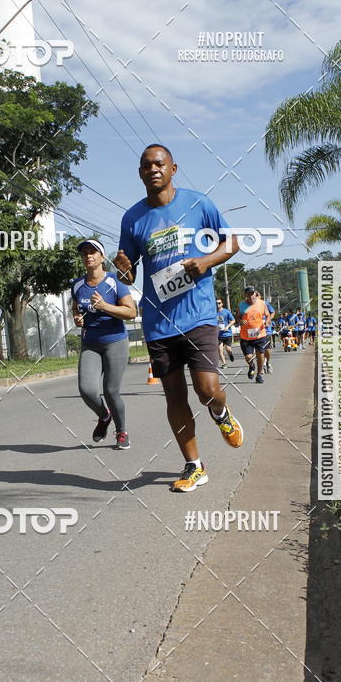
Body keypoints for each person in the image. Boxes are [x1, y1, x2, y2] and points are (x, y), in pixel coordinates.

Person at [115, 143, 243, 493]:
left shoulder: (199, 204)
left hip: (199, 314)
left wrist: (206, 261)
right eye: (146, 165)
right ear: (140, 173)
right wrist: (123, 271)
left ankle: (220, 414)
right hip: (158, 321)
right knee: (174, 397)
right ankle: (194, 466)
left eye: (159, 163)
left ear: (173, 168)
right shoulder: (133, 219)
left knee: (207, 390)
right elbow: (128, 276)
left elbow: (231, 243)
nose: (153, 169)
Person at [72, 239, 136, 449]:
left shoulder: (114, 281)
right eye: (85, 254)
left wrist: (105, 306)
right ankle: (104, 416)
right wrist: (78, 318)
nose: (88, 256)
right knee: (86, 389)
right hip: (90, 343)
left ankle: (122, 431)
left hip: (115, 341)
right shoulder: (77, 285)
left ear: (101, 257)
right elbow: (76, 308)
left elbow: (131, 312)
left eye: (93, 252)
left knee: (110, 391)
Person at [236, 286, 272, 383]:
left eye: (252, 293)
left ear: (255, 294)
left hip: (260, 335)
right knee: (248, 357)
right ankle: (251, 365)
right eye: (249, 294)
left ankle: (259, 375)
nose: (251, 296)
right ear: (246, 295)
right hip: (245, 336)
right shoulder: (241, 305)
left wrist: (267, 321)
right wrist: (240, 321)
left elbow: (268, 315)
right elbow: (238, 316)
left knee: (260, 355)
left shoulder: (262, 303)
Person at [216, 298, 235, 365]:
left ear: (222, 304)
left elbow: (233, 320)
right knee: (219, 350)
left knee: (228, 349)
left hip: (227, 333)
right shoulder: (213, 312)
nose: (218, 304)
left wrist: (227, 326)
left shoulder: (226, 311)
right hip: (218, 335)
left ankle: (230, 354)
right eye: (216, 303)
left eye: (219, 303)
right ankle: (224, 364)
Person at [261, 293, 276, 372]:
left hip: (267, 330)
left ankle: (268, 363)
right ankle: (262, 365)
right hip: (256, 332)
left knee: (267, 350)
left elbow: (272, 312)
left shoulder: (265, 303)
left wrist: (268, 320)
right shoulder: (249, 305)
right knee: (259, 350)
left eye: (256, 295)